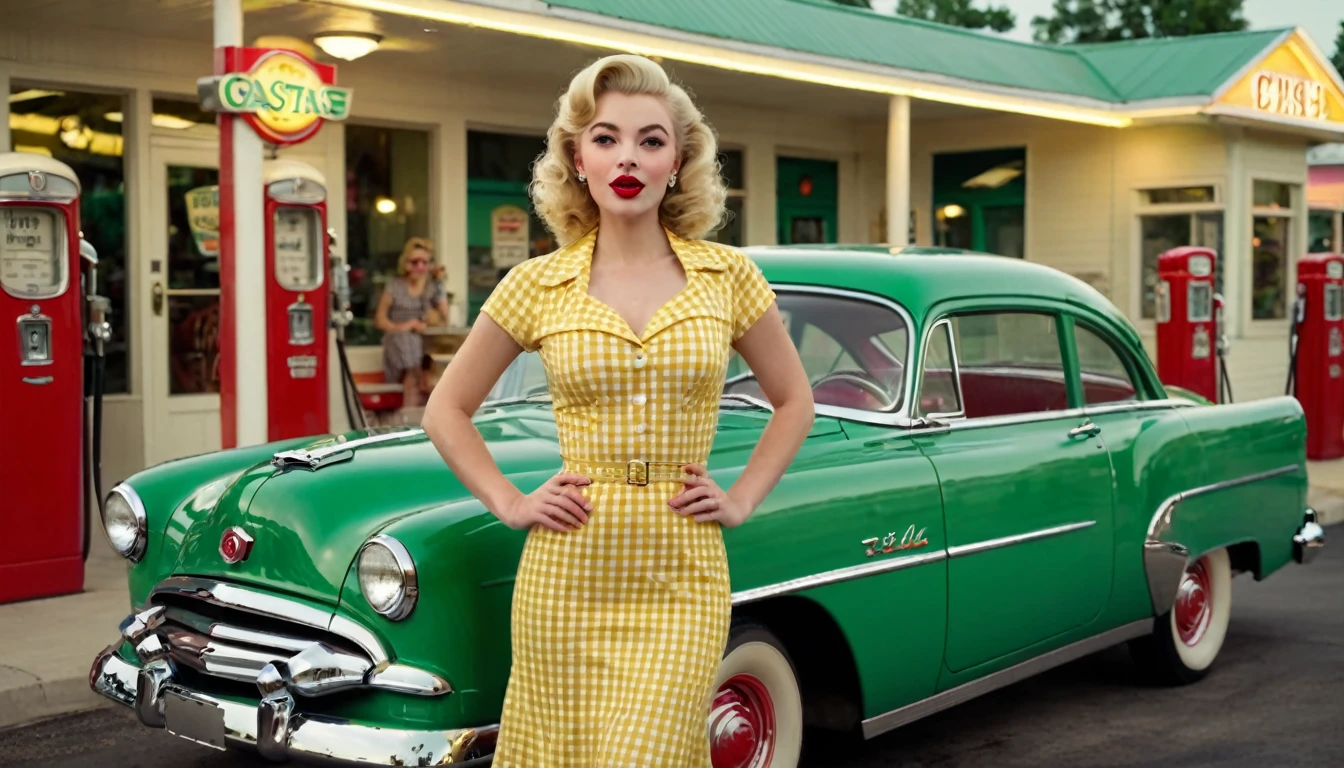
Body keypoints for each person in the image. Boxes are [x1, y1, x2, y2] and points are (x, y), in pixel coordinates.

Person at [420, 54, 814, 767]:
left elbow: (795, 400)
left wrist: (741, 498)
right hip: (567, 573)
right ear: (577, 158)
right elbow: (446, 409)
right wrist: (510, 503)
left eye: (650, 140)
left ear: (677, 162)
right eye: (606, 138)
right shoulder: (536, 284)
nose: (627, 156)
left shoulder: (727, 277)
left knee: (652, 753)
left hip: (680, 569)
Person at [374, 237, 450, 410]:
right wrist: (405, 326)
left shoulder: (432, 287)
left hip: (425, 344)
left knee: (429, 348)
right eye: (415, 262)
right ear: (406, 263)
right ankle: (418, 383)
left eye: (425, 262)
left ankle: (421, 384)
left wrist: (440, 285)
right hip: (399, 342)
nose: (420, 267)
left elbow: (445, 319)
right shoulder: (394, 286)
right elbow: (380, 320)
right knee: (406, 340)